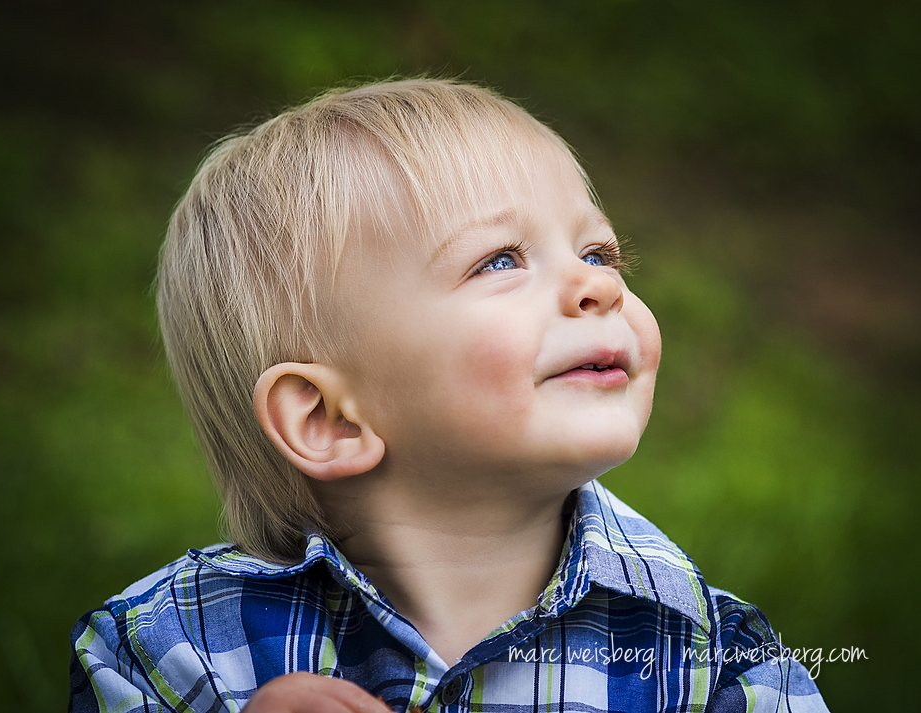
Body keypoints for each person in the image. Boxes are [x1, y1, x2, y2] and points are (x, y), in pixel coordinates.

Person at [69, 78, 830, 713]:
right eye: (500, 260)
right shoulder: (170, 649)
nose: (600, 284)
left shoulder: (714, 659)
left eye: (599, 251)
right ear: (329, 418)